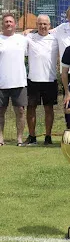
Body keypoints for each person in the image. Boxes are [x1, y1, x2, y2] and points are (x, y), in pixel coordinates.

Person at [24, 15, 59, 146]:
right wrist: (28, 31)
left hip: (50, 80)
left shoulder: (55, 38)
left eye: (45, 24)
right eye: (40, 24)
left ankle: (48, 137)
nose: (43, 26)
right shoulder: (29, 38)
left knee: (48, 109)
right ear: (36, 25)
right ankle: (32, 136)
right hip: (33, 80)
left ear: (50, 25)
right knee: (31, 108)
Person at [0, 13, 28, 146]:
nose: (8, 24)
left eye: (11, 21)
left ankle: (20, 139)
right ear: (2, 24)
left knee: (21, 111)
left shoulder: (22, 39)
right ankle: (0, 138)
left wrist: (30, 30)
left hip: (19, 81)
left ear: (15, 24)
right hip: (1, 83)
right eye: (6, 22)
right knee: (1, 112)